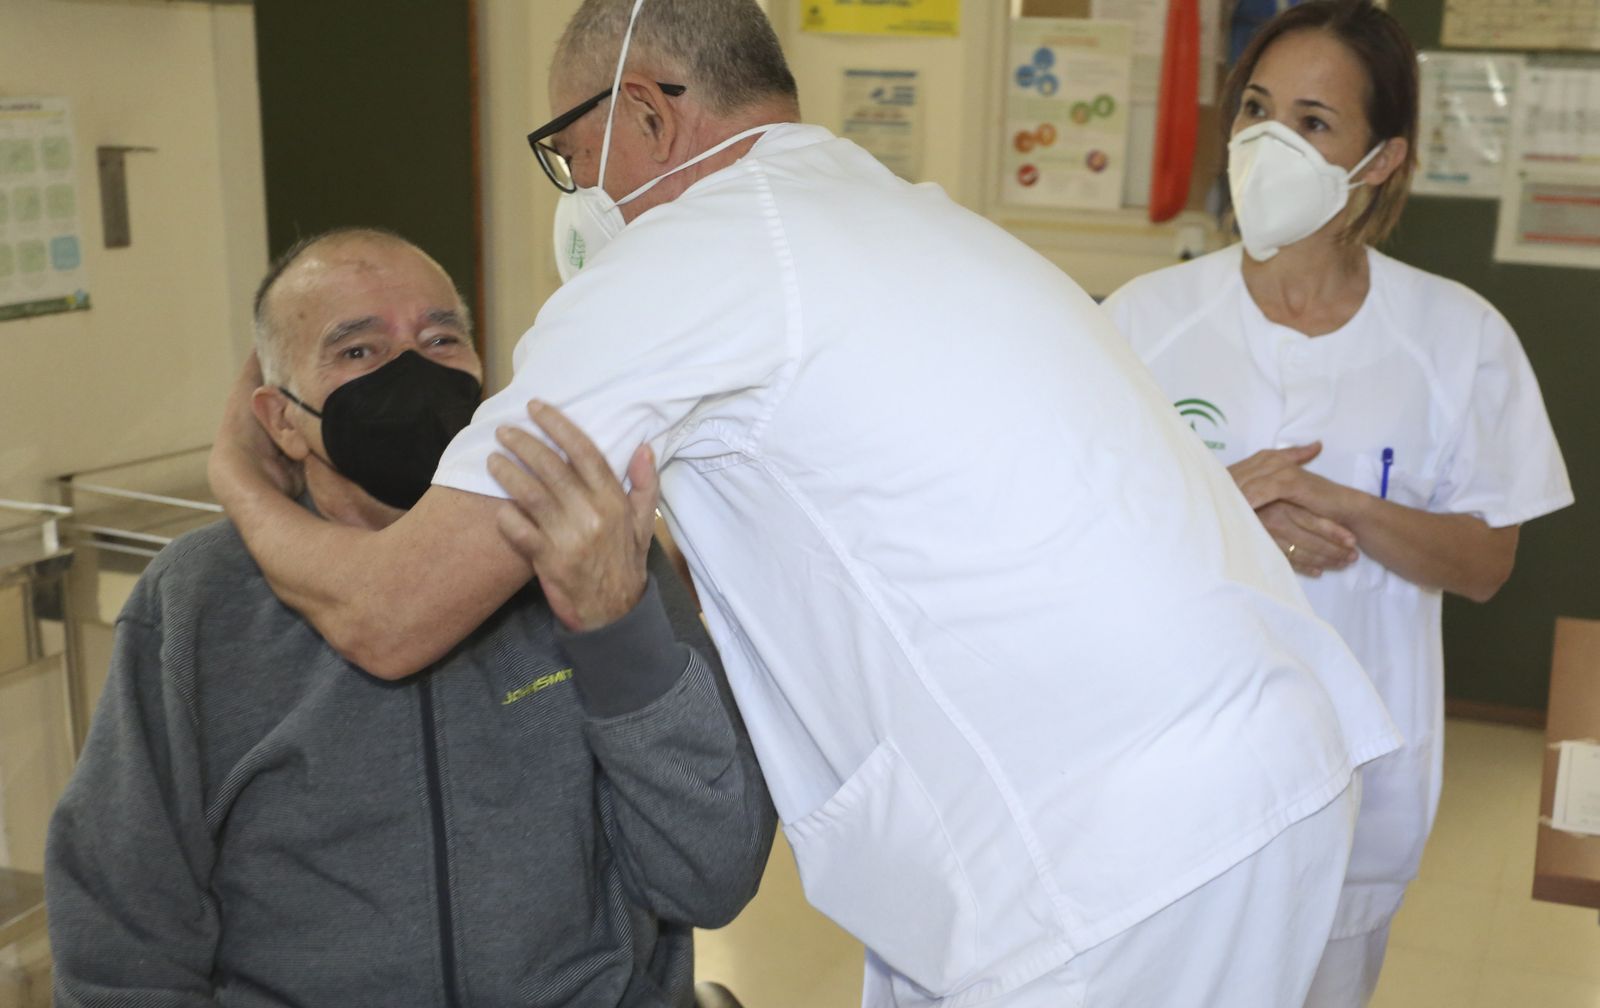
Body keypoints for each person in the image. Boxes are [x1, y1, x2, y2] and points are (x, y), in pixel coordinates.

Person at [207, 4, 1402, 1005]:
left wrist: (233, 482)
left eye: (571, 154)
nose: (579, 194)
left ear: (646, 114)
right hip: (1243, 788)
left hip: (1119, 856)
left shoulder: (683, 262)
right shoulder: (908, 216)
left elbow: (392, 613)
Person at [47, 228, 774, 1007]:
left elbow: (712, 877)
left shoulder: (589, 555)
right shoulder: (197, 604)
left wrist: (614, 628)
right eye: (356, 350)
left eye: (440, 337)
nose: (413, 370)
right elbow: (122, 937)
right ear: (282, 419)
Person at [1102, 3, 1573, 1004]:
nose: (1270, 140)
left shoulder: (1456, 337)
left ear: (1380, 159)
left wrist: (1334, 504)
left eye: (1313, 122)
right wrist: (1234, 516)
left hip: (1357, 777)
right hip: (1169, 768)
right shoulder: (1142, 323)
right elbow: (1083, 541)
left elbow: (1487, 563)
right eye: (1257, 108)